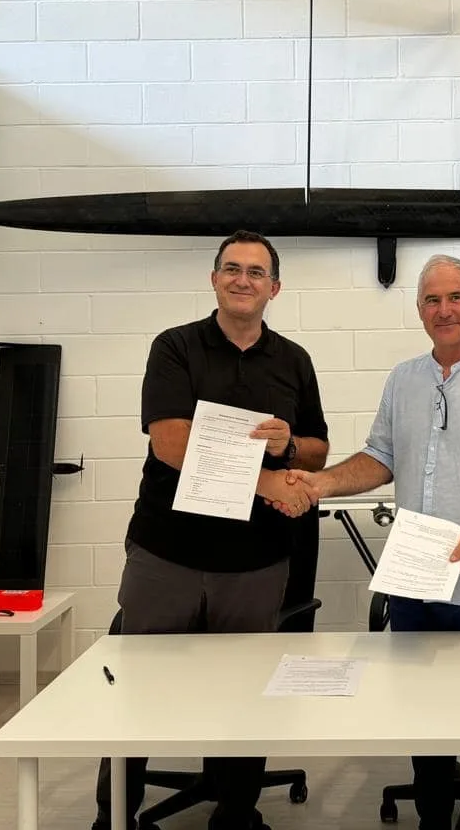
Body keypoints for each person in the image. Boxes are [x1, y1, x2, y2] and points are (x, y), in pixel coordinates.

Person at [277, 254, 460, 830]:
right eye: (432, 300)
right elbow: (380, 457)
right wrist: (321, 483)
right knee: (421, 716)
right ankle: (433, 817)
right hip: (412, 583)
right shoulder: (404, 379)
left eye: (455, 297)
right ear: (419, 311)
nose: (444, 309)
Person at [91, 229, 330, 830]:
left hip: (256, 561)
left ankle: (236, 813)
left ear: (275, 288)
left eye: (256, 271)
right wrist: (268, 480)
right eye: (232, 268)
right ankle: (112, 817)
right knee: (137, 688)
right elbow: (171, 444)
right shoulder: (175, 347)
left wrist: (289, 444)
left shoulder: (294, 360)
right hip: (168, 554)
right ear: (214, 278)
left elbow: (319, 451)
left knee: (245, 693)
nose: (243, 279)